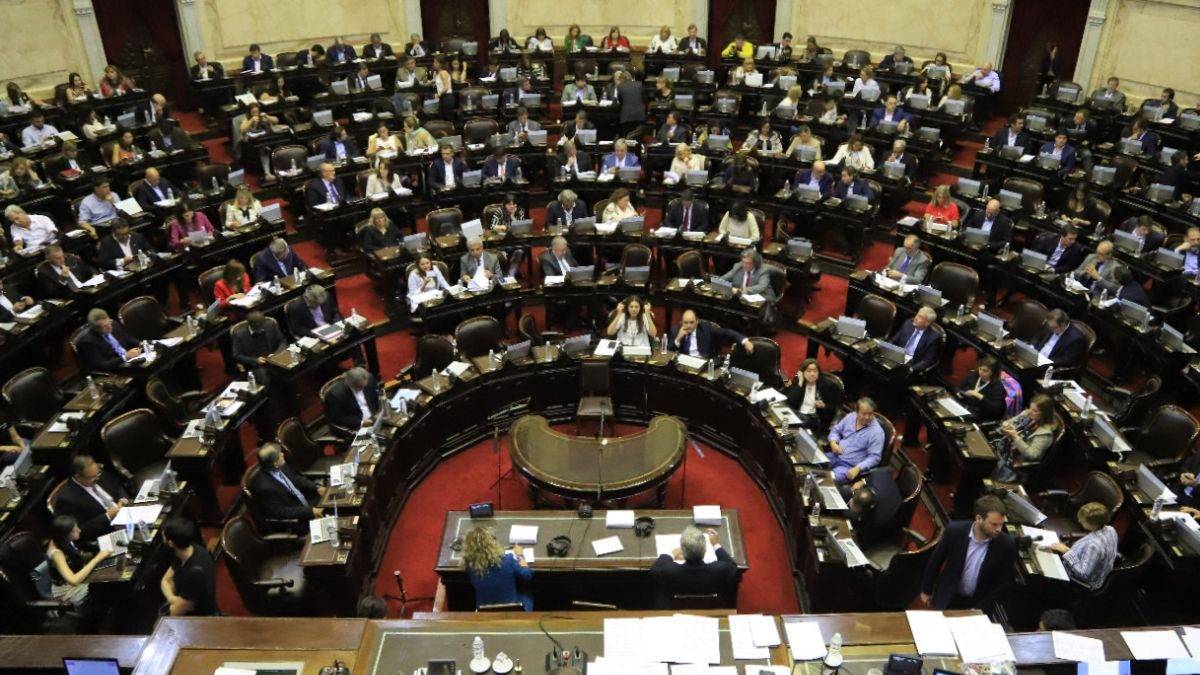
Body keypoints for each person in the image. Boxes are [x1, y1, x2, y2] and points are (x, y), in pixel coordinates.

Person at [920, 495, 1016, 611]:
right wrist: (926, 590)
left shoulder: (1006, 545)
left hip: (978, 603)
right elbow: (936, 560)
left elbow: (1002, 582)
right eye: (994, 524)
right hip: (948, 595)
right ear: (979, 518)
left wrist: (981, 608)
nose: (999, 529)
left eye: (1001, 524)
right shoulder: (955, 531)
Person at [649, 526, 739, 608]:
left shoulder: (670, 571)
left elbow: (655, 569)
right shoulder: (720, 569)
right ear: (705, 551)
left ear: (683, 552)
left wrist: (673, 553)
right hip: (709, 605)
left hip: (676, 606)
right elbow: (732, 567)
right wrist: (716, 545)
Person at [1040, 502, 1118, 590]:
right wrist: (1066, 549)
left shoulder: (1094, 546)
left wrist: (1066, 551)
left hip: (1080, 581)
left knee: (1042, 567)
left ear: (1093, 524)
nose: (1079, 521)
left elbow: (1083, 574)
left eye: (1083, 520)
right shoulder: (1110, 530)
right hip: (1097, 573)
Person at [54, 454, 130, 544]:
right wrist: (108, 516)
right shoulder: (66, 500)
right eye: (93, 477)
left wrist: (123, 499)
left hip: (127, 514)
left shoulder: (97, 473)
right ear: (77, 477)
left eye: (98, 473)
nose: (98, 478)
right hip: (109, 532)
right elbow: (80, 531)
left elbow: (118, 487)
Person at [249, 443, 325, 524]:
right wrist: (310, 511)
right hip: (298, 518)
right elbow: (282, 511)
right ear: (275, 463)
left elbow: (297, 479)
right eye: (280, 455)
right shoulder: (265, 488)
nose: (283, 454)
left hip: (308, 500)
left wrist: (316, 488)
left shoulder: (280, 465)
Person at [462, 526, 533, 610]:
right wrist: (520, 556)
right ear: (492, 543)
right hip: (511, 610)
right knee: (528, 594)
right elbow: (527, 575)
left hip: (484, 612)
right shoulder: (508, 560)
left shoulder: (469, 565)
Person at [45, 515, 110, 606]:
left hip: (78, 576)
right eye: (75, 530)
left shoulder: (62, 539)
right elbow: (73, 581)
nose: (79, 530)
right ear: (66, 534)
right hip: (69, 591)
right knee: (109, 586)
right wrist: (97, 558)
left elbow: (78, 556)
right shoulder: (57, 554)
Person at [993, 394, 1058, 481]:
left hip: (1014, 463)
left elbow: (1032, 455)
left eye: (1035, 411)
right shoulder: (1027, 414)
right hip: (1002, 448)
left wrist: (1015, 437)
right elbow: (1008, 423)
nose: (1030, 412)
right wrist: (1006, 425)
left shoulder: (1045, 434)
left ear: (1044, 414)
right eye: (1030, 408)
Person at [159, 518, 217, 616]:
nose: (162, 534)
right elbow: (166, 580)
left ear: (171, 543)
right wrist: (173, 599)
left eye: (164, 535)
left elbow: (175, 613)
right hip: (183, 600)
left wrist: (173, 601)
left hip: (200, 616)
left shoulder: (194, 574)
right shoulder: (188, 549)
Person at [826, 398, 885, 483]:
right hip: (835, 456)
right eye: (864, 414)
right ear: (857, 412)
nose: (867, 417)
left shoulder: (877, 433)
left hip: (849, 467)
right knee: (813, 464)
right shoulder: (850, 417)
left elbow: (875, 457)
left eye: (870, 414)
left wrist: (858, 468)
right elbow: (836, 430)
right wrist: (833, 443)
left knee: (828, 479)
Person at [846, 467, 903, 548]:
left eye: (856, 511)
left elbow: (864, 532)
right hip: (885, 490)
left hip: (888, 523)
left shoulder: (878, 519)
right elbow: (889, 469)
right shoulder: (876, 475)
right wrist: (863, 481)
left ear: (870, 508)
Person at [784, 359, 843, 433]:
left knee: (788, 428)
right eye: (809, 371)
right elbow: (791, 401)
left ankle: (789, 434)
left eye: (815, 371)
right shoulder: (799, 380)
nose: (812, 374)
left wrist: (823, 406)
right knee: (782, 421)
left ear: (818, 373)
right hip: (797, 413)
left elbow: (833, 409)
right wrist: (800, 384)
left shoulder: (828, 386)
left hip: (814, 418)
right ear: (803, 372)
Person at [668, 309, 754, 358]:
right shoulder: (675, 330)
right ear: (681, 322)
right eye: (686, 322)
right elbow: (668, 351)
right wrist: (678, 339)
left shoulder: (707, 328)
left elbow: (727, 332)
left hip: (703, 362)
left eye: (691, 322)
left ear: (697, 322)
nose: (688, 325)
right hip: (684, 364)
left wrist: (745, 341)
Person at [231, 311, 286, 387]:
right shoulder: (239, 335)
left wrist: (276, 354)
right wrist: (255, 360)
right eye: (258, 328)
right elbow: (237, 355)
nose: (261, 329)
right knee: (265, 380)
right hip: (257, 364)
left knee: (288, 371)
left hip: (274, 357)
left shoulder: (270, 324)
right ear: (250, 325)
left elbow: (282, 341)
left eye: (262, 326)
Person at [888, 306, 942, 374]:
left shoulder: (933, 338)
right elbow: (894, 340)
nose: (916, 318)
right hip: (896, 357)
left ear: (927, 323)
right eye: (917, 315)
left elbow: (926, 361)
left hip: (911, 365)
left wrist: (911, 369)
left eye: (920, 317)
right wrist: (886, 350)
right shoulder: (908, 324)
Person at [958, 357, 1006, 422]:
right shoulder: (973, 375)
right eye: (980, 369)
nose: (981, 372)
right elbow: (960, 387)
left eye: (985, 371)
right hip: (965, 407)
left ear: (993, 372)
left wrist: (979, 395)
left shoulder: (997, 387)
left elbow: (996, 408)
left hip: (980, 415)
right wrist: (960, 393)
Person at [615, 71, 646, 137]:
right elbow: (643, 98)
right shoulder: (639, 84)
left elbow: (620, 101)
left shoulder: (620, 87)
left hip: (626, 116)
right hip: (640, 115)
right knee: (638, 136)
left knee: (626, 137)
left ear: (622, 79)